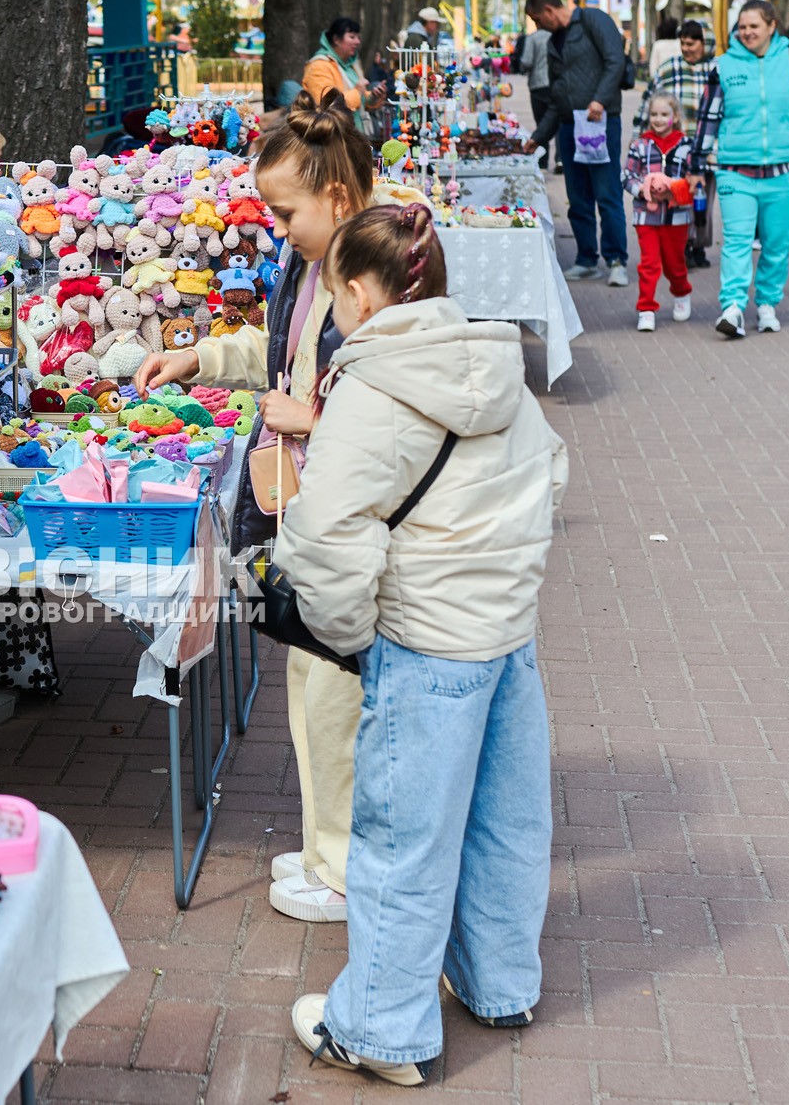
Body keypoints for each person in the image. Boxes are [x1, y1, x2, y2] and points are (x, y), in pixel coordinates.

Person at [277, 204, 568, 1088]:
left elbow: (323, 539)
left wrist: (355, 635)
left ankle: (378, 1028)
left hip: (425, 640)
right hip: (504, 640)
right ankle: (502, 984)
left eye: (334, 294)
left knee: (402, 839)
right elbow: (547, 474)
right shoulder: (493, 363)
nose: (333, 312)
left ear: (361, 293)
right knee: (506, 822)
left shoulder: (372, 384)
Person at [133, 90, 382, 924]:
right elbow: (276, 352)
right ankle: (324, 846)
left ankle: (344, 868)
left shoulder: (371, 273)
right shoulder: (313, 265)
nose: (276, 228)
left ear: (338, 198)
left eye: (285, 212)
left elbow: (398, 393)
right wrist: (197, 357)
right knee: (310, 687)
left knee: (335, 695)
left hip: (346, 518)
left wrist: (313, 416)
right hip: (308, 514)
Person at [693, 0, 789, 337]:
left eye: (754, 26)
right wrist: (697, 164)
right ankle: (733, 307)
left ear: (772, 26)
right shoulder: (723, 66)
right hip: (735, 172)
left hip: (784, 173)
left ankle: (767, 303)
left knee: (776, 244)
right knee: (737, 241)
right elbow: (707, 119)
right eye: (742, 26)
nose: (747, 32)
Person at [523, 0, 630, 284]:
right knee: (577, 196)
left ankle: (617, 259)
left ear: (548, 10)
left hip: (600, 122)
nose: (537, 27)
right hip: (570, 126)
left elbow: (615, 61)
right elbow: (557, 97)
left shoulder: (594, 20)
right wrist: (539, 137)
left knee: (606, 192)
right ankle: (586, 258)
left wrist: (599, 99)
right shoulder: (553, 43)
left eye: (536, 20)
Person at [634, 19, 718, 267]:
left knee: (703, 201)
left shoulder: (717, 70)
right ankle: (682, 246)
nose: (687, 49)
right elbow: (648, 102)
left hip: (709, 150)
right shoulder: (669, 69)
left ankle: (699, 246)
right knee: (677, 197)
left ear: (706, 43)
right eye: (683, 44)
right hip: (672, 148)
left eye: (692, 44)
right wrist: (638, 139)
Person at [623, 93, 700, 330]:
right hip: (646, 216)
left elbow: (693, 180)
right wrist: (643, 191)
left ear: (675, 117)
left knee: (674, 264)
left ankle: (681, 292)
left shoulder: (687, 147)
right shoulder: (640, 145)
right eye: (654, 114)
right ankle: (646, 308)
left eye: (664, 114)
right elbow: (627, 176)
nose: (658, 119)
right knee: (649, 263)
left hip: (677, 218)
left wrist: (673, 191)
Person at [303, 17, 387, 137]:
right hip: (330, 138)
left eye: (358, 37)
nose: (357, 42)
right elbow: (326, 104)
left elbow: (360, 100)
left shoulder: (350, 65)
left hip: (350, 135)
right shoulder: (318, 66)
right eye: (352, 37)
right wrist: (357, 92)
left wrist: (372, 96)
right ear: (336, 39)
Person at [510, 26, 556, 172]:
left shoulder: (532, 38)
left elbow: (526, 62)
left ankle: (543, 160)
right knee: (558, 121)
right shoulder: (556, 36)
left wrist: (522, 68)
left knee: (542, 122)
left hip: (538, 85)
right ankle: (561, 160)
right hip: (556, 84)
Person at [646, 14, 683, 78]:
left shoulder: (658, 45)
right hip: (679, 76)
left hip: (663, 78)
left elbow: (653, 66)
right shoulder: (680, 43)